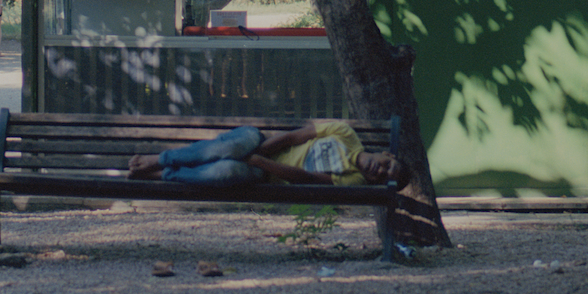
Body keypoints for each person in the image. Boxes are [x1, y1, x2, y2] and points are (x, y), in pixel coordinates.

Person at [127, 120, 410, 187]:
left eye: (384, 176)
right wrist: (255, 152)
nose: (380, 170)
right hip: (256, 143)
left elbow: (306, 177)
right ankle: (159, 160)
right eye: (387, 165)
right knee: (228, 149)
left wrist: (260, 164)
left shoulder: (353, 180)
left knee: (224, 171)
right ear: (386, 153)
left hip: (262, 172)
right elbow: (293, 136)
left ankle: (164, 173)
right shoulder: (345, 134)